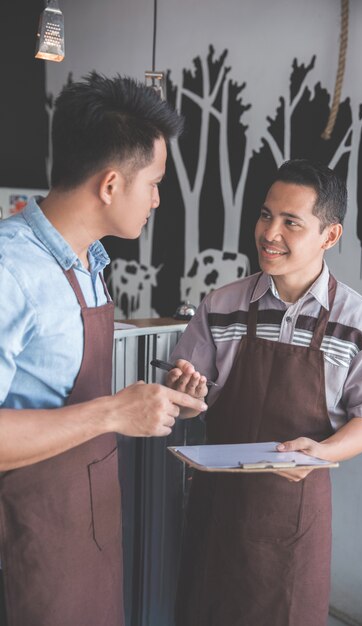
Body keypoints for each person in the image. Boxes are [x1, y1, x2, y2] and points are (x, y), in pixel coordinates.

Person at [0, 73, 208, 626]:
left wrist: (155, 402)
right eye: (155, 183)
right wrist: (114, 410)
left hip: (89, 526)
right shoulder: (11, 271)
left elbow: (59, 397)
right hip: (29, 538)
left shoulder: (89, 264)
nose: (159, 199)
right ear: (111, 184)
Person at [165, 159, 362, 626]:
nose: (269, 233)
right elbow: (188, 402)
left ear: (329, 236)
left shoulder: (360, 322)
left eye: (290, 222)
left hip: (294, 516)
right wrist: (184, 395)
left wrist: (323, 450)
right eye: (265, 215)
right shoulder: (221, 305)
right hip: (216, 510)